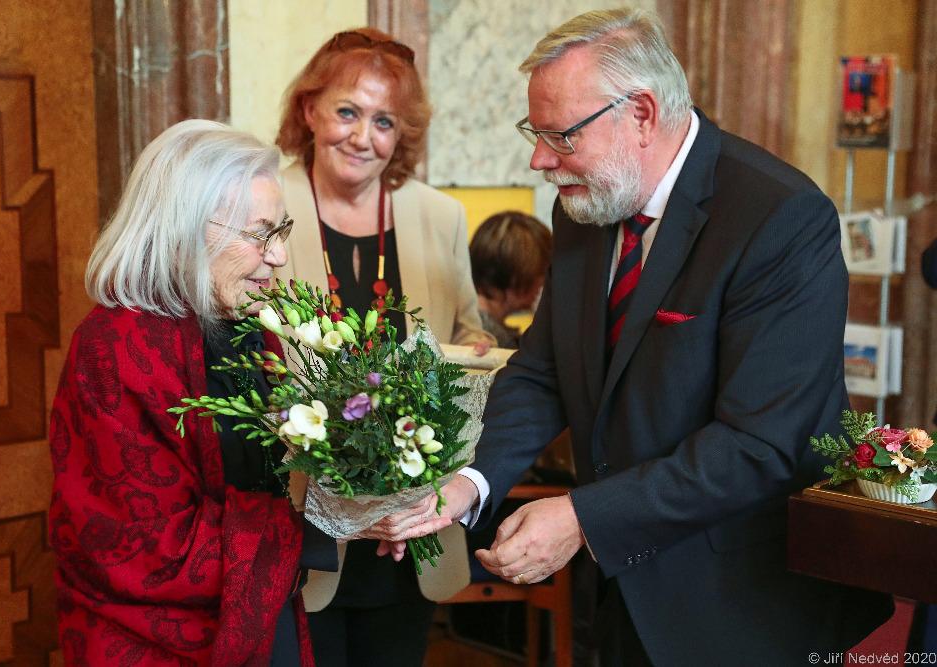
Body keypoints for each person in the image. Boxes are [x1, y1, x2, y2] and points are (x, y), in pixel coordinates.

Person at [374, 9, 894, 666]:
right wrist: (471, 481)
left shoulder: (781, 219)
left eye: (560, 136)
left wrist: (583, 516)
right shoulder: (585, 205)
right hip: (620, 588)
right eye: (535, 133)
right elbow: (543, 369)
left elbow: (759, 443)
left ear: (642, 115)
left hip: (740, 602)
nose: (539, 160)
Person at [48, 120, 313, 666]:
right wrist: (318, 534)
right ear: (184, 229)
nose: (280, 256)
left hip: (260, 612)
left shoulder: (251, 327)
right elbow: (144, 545)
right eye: (260, 234)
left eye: (281, 230)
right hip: (152, 642)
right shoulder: (114, 347)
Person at [273, 27, 494, 667]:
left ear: (402, 136)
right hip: (300, 519)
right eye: (347, 111)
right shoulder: (265, 204)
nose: (362, 137)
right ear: (310, 110)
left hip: (406, 528)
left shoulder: (440, 216)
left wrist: (476, 348)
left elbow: (466, 335)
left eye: (384, 121)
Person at [470, 211, 551, 348]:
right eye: (543, 273)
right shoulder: (493, 341)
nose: (545, 282)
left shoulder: (463, 323)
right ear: (519, 281)